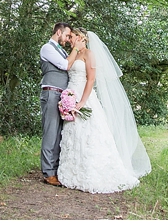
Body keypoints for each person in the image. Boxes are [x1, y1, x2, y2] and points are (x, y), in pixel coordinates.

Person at [56, 27, 152, 193]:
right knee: (73, 133)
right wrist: (68, 100)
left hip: (84, 98)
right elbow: (66, 69)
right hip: (71, 94)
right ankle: (73, 172)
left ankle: (93, 172)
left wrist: (82, 102)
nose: (69, 39)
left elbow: (91, 79)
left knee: (90, 135)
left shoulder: (89, 54)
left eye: (72, 37)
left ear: (81, 38)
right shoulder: (74, 54)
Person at [39, 22, 81, 187]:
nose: (67, 38)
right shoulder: (47, 48)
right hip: (51, 92)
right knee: (50, 132)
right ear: (58, 32)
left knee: (59, 133)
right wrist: (76, 49)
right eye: (66, 35)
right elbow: (65, 65)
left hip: (62, 95)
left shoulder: (61, 50)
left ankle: (55, 169)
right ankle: (48, 173)